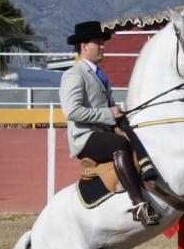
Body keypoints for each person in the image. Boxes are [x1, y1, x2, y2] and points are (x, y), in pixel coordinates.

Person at [59, 21, 161, 226]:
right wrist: (108, 113)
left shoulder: (98, 74)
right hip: (85, 137)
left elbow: (107, 107)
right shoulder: (74, 74)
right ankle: (138, 203)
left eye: (102, 43)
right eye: (98, 43)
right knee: (120, 144)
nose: (103, 46)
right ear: (84, 47)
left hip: (102, 131)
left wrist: (118, 113)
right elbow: (72, 111)